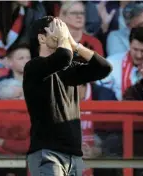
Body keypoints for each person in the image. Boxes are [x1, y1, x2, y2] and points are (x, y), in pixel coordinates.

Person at [23, 16, 112, 176]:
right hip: (47, 153)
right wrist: (64, 40)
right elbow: (63, 57)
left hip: (74, 155)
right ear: (42, 37)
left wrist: (75, 44)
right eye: (57, 28)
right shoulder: (33, 67)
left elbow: (104, 68)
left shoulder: (68, 71)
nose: (64, 33)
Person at [99, 26, 143, 100]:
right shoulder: (111, 64)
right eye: (135, 49)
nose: (138, 55)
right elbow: (101, 93)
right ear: (129, 45)